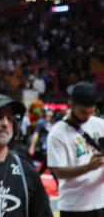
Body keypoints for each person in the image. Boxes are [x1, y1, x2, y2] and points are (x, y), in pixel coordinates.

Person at [47, 81, 104, 216]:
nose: (88, 116)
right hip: (74, 206)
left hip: (101, 202)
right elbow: (58, 172)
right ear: (71, 105)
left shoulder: (100, 124)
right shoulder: (57, 133)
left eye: (91, 111)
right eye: (83, 112)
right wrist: (89, 167)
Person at [28, 108, 54, 174]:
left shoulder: (53, 122)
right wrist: (32, 146)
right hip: (43, 144)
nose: (50, 112)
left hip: (52, 144)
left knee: (46, 164)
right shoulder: (41, 122)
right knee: (48, 162)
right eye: (49, 111)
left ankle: (38, 175)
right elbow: (36, 134)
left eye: (51, 111)